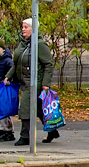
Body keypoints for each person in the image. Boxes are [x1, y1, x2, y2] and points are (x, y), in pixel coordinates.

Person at [4, 17, 55, 146]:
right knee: (38, 109)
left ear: (33, 29)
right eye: (23, 27)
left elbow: (48, 64)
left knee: (25, 109)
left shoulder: (39, 44)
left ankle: (25, 136)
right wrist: (8, 76)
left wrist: (45, 84)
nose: (23, 29)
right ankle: (52, 130)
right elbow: (17, 63)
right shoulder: (23, 44)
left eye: (26, 27)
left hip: (35, 82)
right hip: (24, 81)